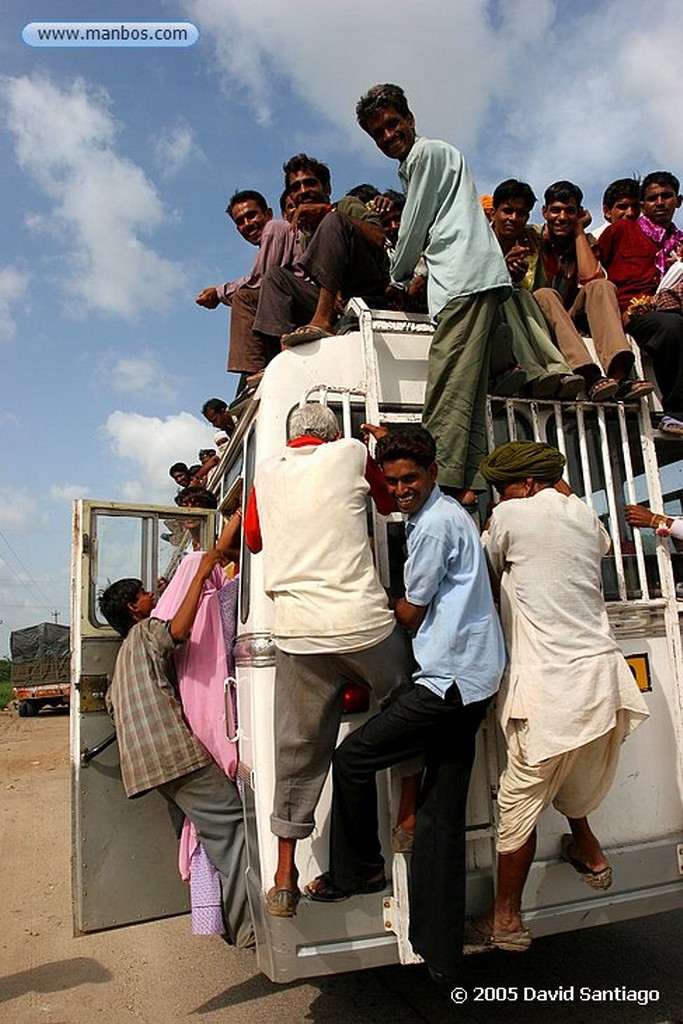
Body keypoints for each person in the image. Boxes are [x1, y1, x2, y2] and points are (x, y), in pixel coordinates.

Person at [305, 424, 505, 983]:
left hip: (448, 683)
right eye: (391, 481)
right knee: (441, 815)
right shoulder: (442, 517)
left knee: (352, 759)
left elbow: (411, 613)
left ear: (433, 474)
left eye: (409, 478)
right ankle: (440, 949)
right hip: (471, 680)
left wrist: (371, 601)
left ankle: (359, 871)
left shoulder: (434, 528)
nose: (399, 489)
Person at [465, 441, 649, 953]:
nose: (497, 496)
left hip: (548, 687)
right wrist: (560, 490)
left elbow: (489, 563)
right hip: (601, 680)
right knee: (567, 766)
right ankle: (588, 848)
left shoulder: (509, 516)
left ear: (523, 486)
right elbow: (605, 544)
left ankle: (505, 919)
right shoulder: (584, 516)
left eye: (503, 486)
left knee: (519, 801)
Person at [242, 404, 414, 918]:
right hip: (363, 623)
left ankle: (283, 874)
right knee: (407, 706)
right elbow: (388, 507)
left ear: (293, 437)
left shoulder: (266, 470)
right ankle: (406, 818)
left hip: (297, 632)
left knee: (298, 747)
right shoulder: (351, 453)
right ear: (334, 434)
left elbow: (252, 540)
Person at [356, 83, 511, 502]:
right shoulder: (426, 160)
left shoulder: (426, 154)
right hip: (465, 278)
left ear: (410, 119)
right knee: (468, 394)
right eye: (378, 133)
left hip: (464, 278)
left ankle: (436, 487)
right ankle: (469, 487)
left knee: (445, 388)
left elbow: (415, 225)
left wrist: (398, 275)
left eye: (392, 124)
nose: (388, 136)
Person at [98, 540, 254, 948]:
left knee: (205, 830)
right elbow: (179, 631)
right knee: (232, 827)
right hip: (173, 757)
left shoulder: (122, 659)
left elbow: (116, 708)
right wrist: (201, 573)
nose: (156, 595)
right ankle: (248, 929)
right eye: (147, 593)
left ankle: (216, 911)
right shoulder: (148, 632)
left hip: (145, 768)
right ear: (136, 608)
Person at [528, 180, 653, 402]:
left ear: (579, 214)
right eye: (556, 210)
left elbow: (591, 278)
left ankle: (619, 375)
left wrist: (578, 231)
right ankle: (588, 373)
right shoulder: (532, 237)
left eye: (570, 211)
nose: (562, 217)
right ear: (544, 212)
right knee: (545, 294)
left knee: (602, 286)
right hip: (540, 317)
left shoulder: (584, 240)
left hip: (571, 317)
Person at [253, 154, 389, 346]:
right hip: (334, 300)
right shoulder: (306, 231)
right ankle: (283, 352)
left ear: (326, 188)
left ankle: (322, 320)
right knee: (275, 276)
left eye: (310, 183)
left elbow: (378, 238)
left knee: (333, 220)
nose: (303, 191)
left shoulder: (345, 205)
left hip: (367, 288)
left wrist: (326, 212)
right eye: (296, 187)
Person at [598, 171, 683, 435]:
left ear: (677, 201)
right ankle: (676, 414)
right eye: (652, 198)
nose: (660, 202)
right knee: (671, 327)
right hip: (635, 311)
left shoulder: (680, 242)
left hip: (674, 306)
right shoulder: (623, 229)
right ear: (643, 204)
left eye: (666, 196)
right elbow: (592, 263)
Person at [489, 179, 584, 399]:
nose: (513, 219)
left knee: (522, 294)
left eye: (521, 213)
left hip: (518, 308)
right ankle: (533, 371)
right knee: (511, 295)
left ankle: (557, 369)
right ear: (493, 213)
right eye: (507, 211)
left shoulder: (528, 240)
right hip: (486, 306)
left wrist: (579, 224)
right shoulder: (478, 238)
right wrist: (502, 269)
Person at [195, 189, 300, 386]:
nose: (247, 224)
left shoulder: (275, 228)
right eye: (240, 221)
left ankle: (254, 372)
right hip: (288, 307)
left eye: (251, 215)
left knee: (244, 297)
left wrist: (218, 293)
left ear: (268, 214)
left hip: (302, 303)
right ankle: (254, 374)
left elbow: (258, 279)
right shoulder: (272, 240)